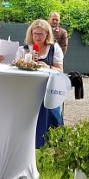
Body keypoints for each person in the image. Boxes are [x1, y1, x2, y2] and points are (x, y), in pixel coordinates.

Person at [16, 19, 64, 148]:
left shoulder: (54, 48)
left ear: (47, 34)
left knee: (52, 119)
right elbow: (16, 70)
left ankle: (53, 147)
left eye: (41, 34)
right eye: (35, 33)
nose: (38, 37)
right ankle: (29, 147)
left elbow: (60, 70)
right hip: (29, 91)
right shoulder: (24, 50)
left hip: (49, 90)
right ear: (31, 33)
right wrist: (27, 62)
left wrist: (47, 67)